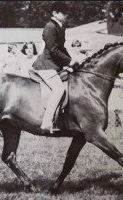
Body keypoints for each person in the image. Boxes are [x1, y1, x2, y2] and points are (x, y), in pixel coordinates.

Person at [32, 2, 79, 133]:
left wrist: (73, 62)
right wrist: (70, 61)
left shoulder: (59, 27)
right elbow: (53, 50)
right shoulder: (50, 27)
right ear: (54, 13)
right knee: (58, 90)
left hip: (54, 65)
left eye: (67, 13)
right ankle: (47, 122)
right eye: (63, 13)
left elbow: (62, 48)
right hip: (45, 65)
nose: (66, 16)